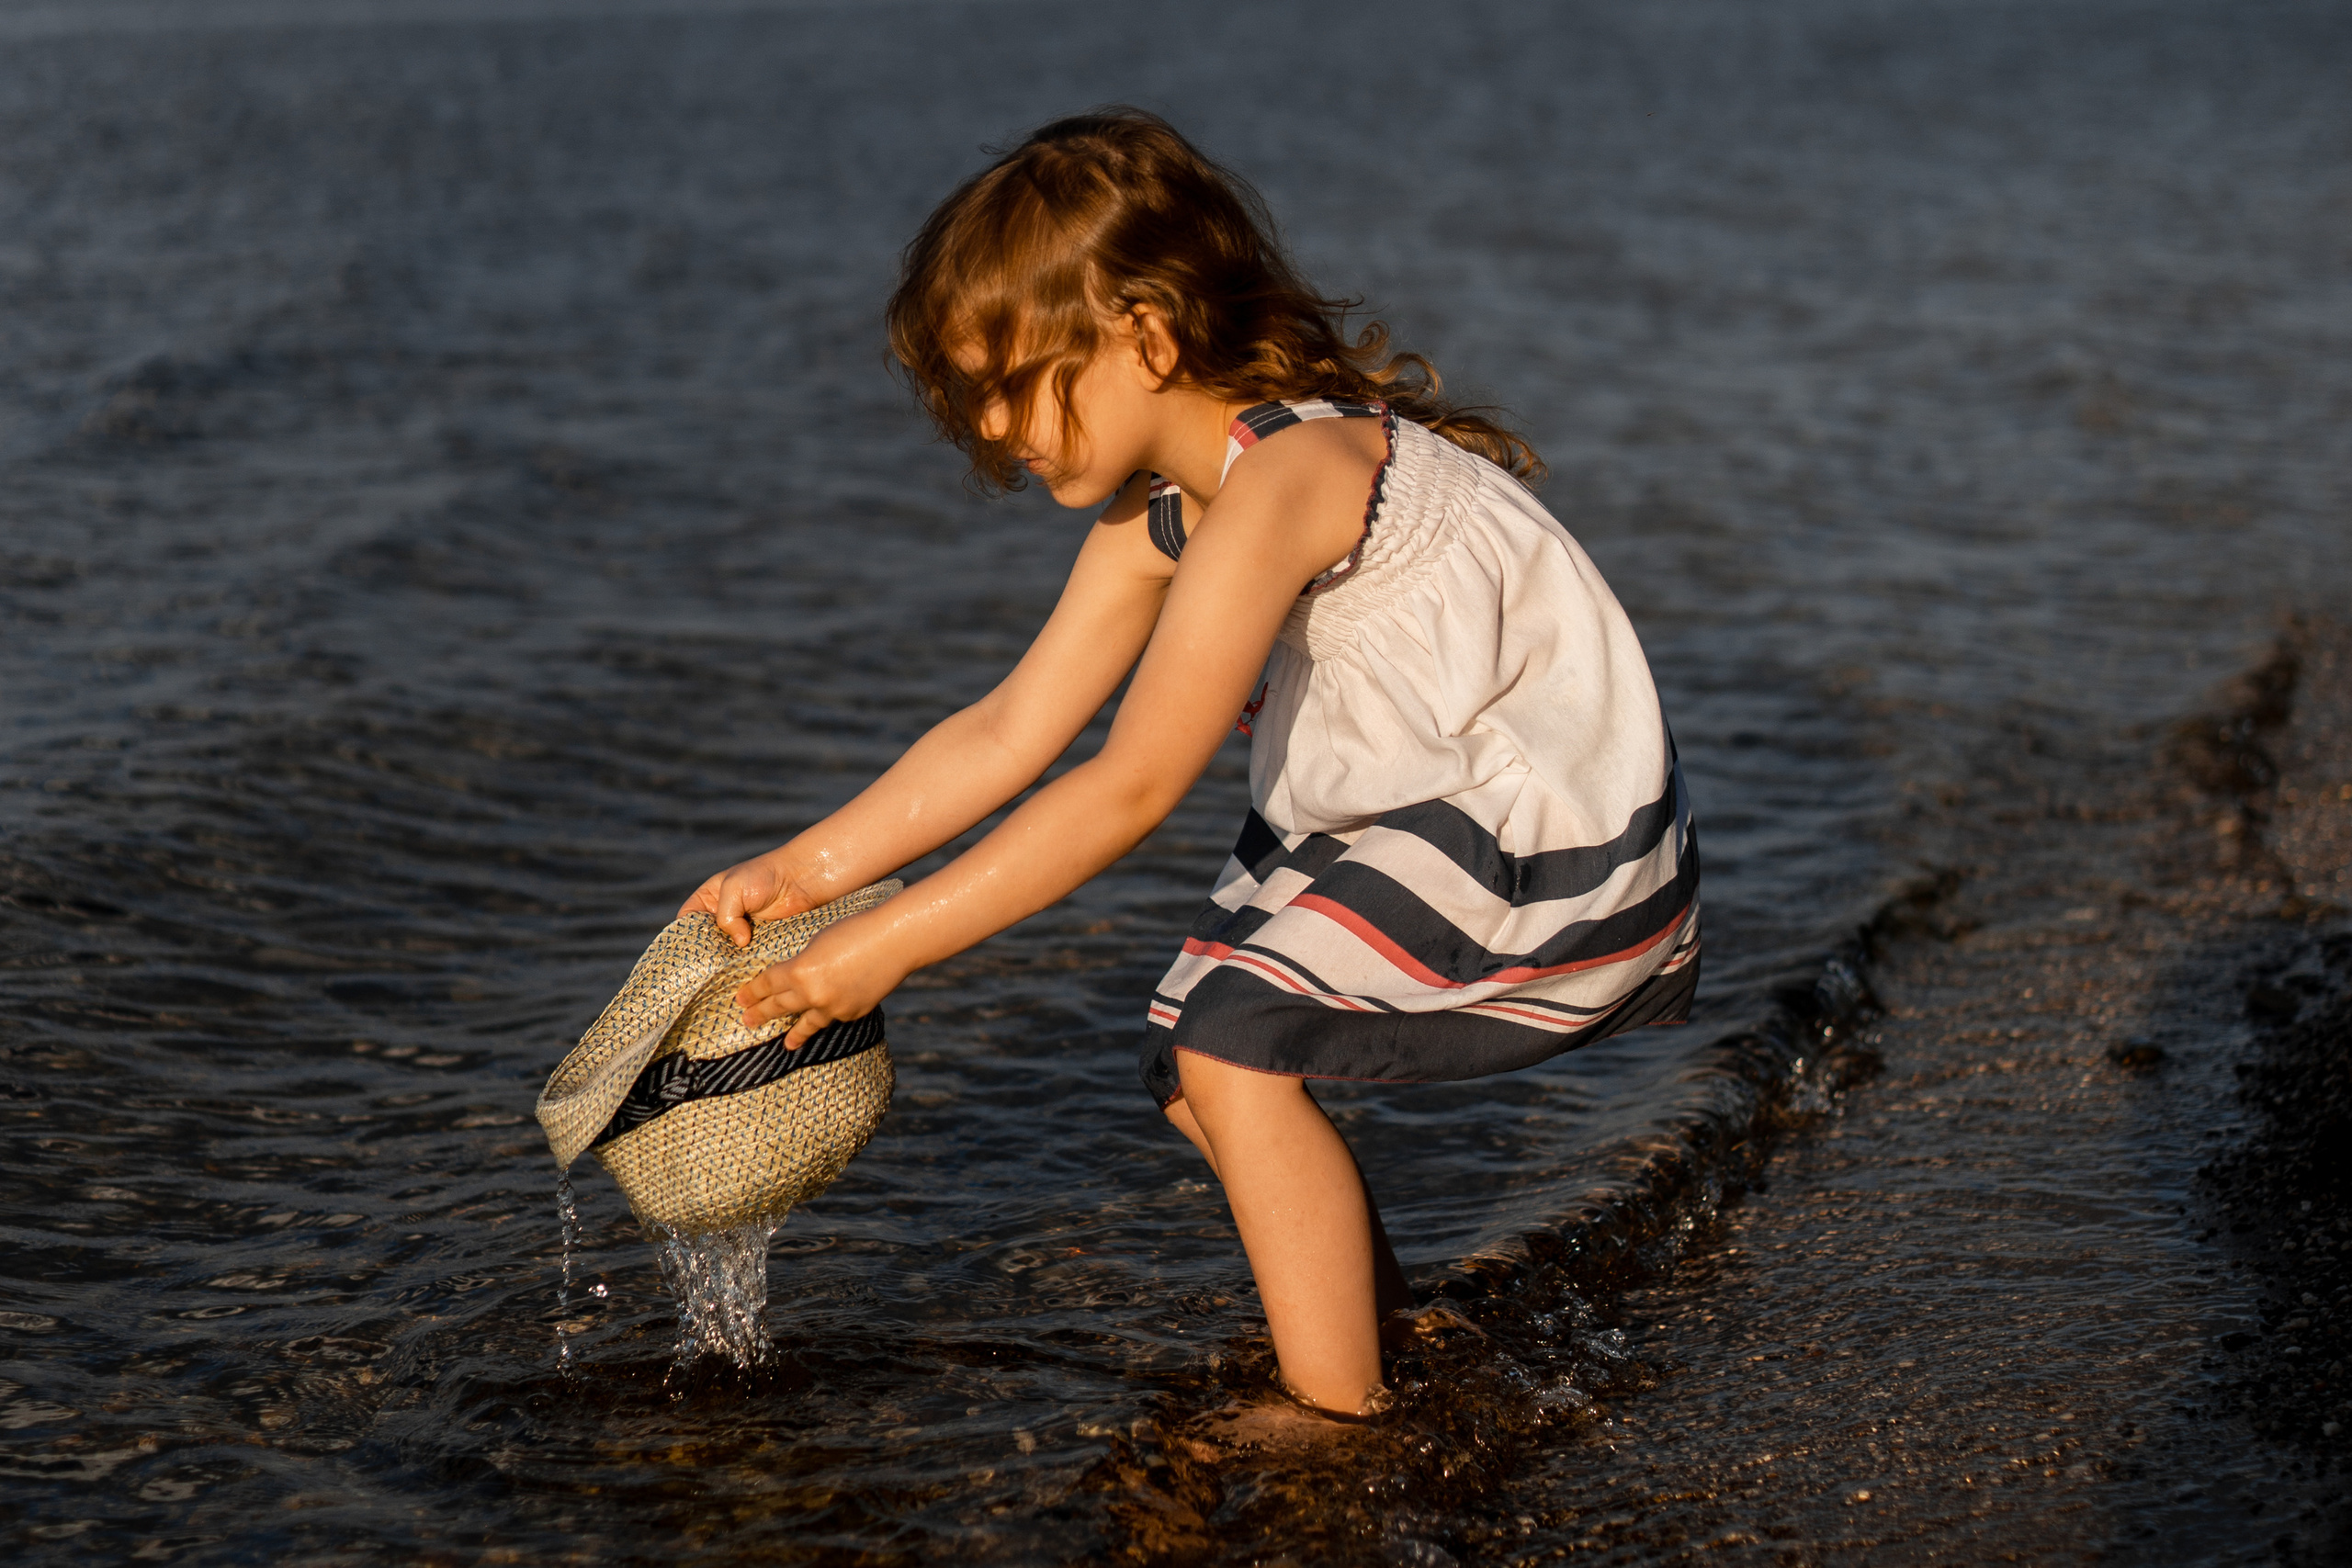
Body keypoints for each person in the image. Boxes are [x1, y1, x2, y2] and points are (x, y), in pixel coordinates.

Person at [680, 107, 1700, 1422]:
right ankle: (1385, 1339)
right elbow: (1010, 729)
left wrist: (883, 948)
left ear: (1148, 337)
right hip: (1415, 805)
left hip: (1545, 827)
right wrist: (804, 871)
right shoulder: (1167, 511)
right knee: (1189, 1055)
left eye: (1013, 383)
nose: (991, 426)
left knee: (1233, 1046)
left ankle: (1336, 1422)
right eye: (970, 396)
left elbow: (1131, 786)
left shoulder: (1291, 474)